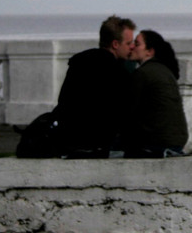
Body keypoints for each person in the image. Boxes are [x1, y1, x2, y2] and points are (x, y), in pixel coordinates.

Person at [51, 15, 136, 156]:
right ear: (115, 44)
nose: (132, 47)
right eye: (128, 43)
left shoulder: (79, 63)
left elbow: (64, 101)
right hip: (98, 143)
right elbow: (123, 113)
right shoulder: (118, 73)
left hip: (68, 139)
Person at [121, 29, 188, 158]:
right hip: (176, 142)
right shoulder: (165, 71)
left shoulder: (143, 73)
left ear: (149, 52)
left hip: (156, 144)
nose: (132, 47)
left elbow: (128, 111)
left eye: (137, 43)